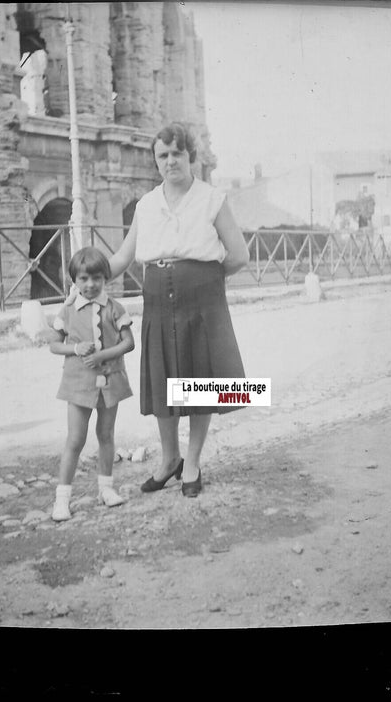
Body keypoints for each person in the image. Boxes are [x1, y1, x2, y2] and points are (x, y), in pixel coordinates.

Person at [108, 122, 249, 498]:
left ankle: (193, 462)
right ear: (156, 161)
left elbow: (238, 255)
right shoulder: (146, 204)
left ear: (191, 158)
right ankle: (169, 459)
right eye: (163, 155)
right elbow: (123, 256)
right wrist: (85, 276)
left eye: (178, 154)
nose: (171, 162)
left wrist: (202, 279)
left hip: (201, 298)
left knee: (199, 381)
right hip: (157, 297)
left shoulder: (211, 199)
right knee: (165, 379)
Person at [49, 247, 135, 521]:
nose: (90, 284)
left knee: (106, 435)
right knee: (75, 439)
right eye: (84, 278)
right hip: (78, 383)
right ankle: (62, 499)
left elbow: (128, 342)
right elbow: (53, 344)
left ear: (105, 278)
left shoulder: (114, 308)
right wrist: (75, 349)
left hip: (110, 380)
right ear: (74, 280)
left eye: (97, 278)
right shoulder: (68, 309)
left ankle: (106, 489)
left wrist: (101, 355)